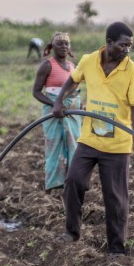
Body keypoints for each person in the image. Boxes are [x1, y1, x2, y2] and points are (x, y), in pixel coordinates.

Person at [52, 22, 134, 257]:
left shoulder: (132, 70)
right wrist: (59, 100)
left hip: (117, 145)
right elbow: (73, 79)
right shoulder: (89, 60)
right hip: (89, 139)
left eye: (130, 46)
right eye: (123, 45)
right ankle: (72, 232)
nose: (127, 50)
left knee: (115, 197)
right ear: (109, 43)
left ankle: (116, 248)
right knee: (74, 181)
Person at [32, 32, 81, 192]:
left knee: (74, 145)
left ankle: (70, 182)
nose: (64, 47)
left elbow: (74, 91)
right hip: (54, 113)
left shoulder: (73, 67)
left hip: (72, 113)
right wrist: (55, 104)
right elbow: (37, 92)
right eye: (60, 44)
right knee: (54, 146)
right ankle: (53, 185)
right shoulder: (47, 65)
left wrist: (80, 106)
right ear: (51, 47)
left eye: (67, 44)